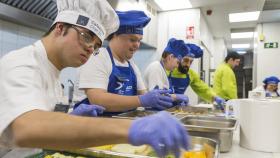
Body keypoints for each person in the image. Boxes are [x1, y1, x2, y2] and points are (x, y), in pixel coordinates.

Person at [0, 1, 189, 158]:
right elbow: (26, 129)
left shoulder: (52, 72)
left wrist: (69, 120)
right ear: (60, 28)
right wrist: (130, 128)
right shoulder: (22, 62)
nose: (91, 48)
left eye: (96, 45)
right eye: (86, 36)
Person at [76, 10, 174, 114]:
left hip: (121, 124)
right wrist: (141, 100)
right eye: (132, 39)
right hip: (95, 126)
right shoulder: (98, 57)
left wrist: (168, 100)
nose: (137, 45)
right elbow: (98, 100)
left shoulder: (131, 65)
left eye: (139, 40)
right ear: (115, 35)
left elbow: (144, 94)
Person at [144, 38, 190, 106]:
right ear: (170, 57)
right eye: (177, 62)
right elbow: (157, 97)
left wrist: (175, 101)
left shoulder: (162, 69)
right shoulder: (156, 68)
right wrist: (176, 97)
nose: (177, 66)